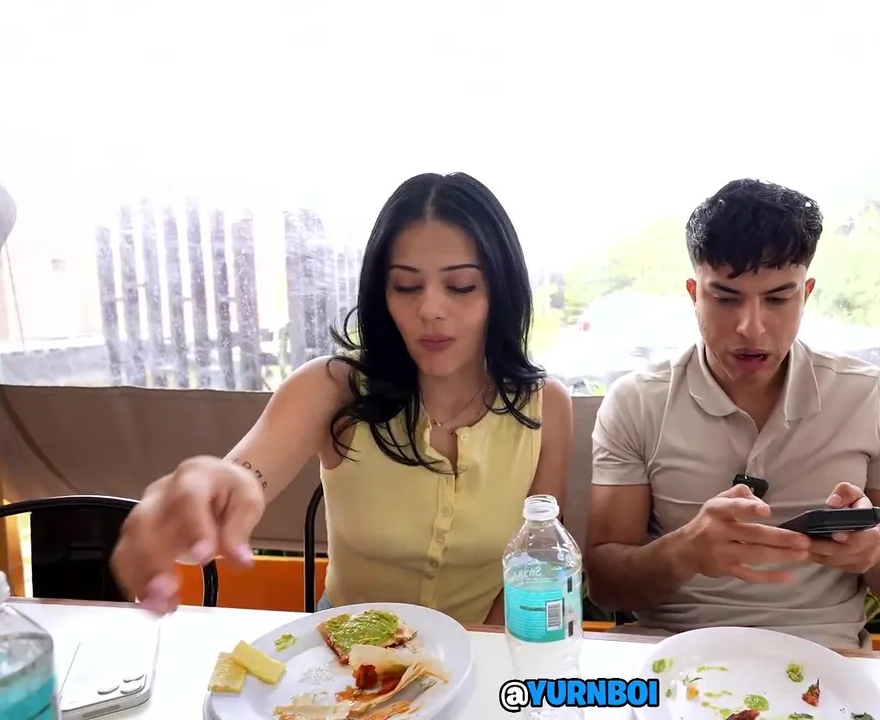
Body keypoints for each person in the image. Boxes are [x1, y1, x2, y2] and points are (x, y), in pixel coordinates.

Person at [111, 172, 574, 626]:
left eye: (461, 286)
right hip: (344, 659)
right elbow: (245, 474)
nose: (430, 309)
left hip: (483, 654)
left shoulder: (546, 406)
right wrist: (211, 492)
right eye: (406, 286)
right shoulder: (332, 386)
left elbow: (537, 561)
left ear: (501, 290)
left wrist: (473, 654)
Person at [583, 178, 880, 649]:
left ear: (806, 294)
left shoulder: (867, 397)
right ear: (694, 294)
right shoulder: (637, 402)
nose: (751, 328)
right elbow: (605, 586)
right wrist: (685, 551)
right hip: (674, 653)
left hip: (826, 657)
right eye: (726, 298)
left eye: (777, 299)